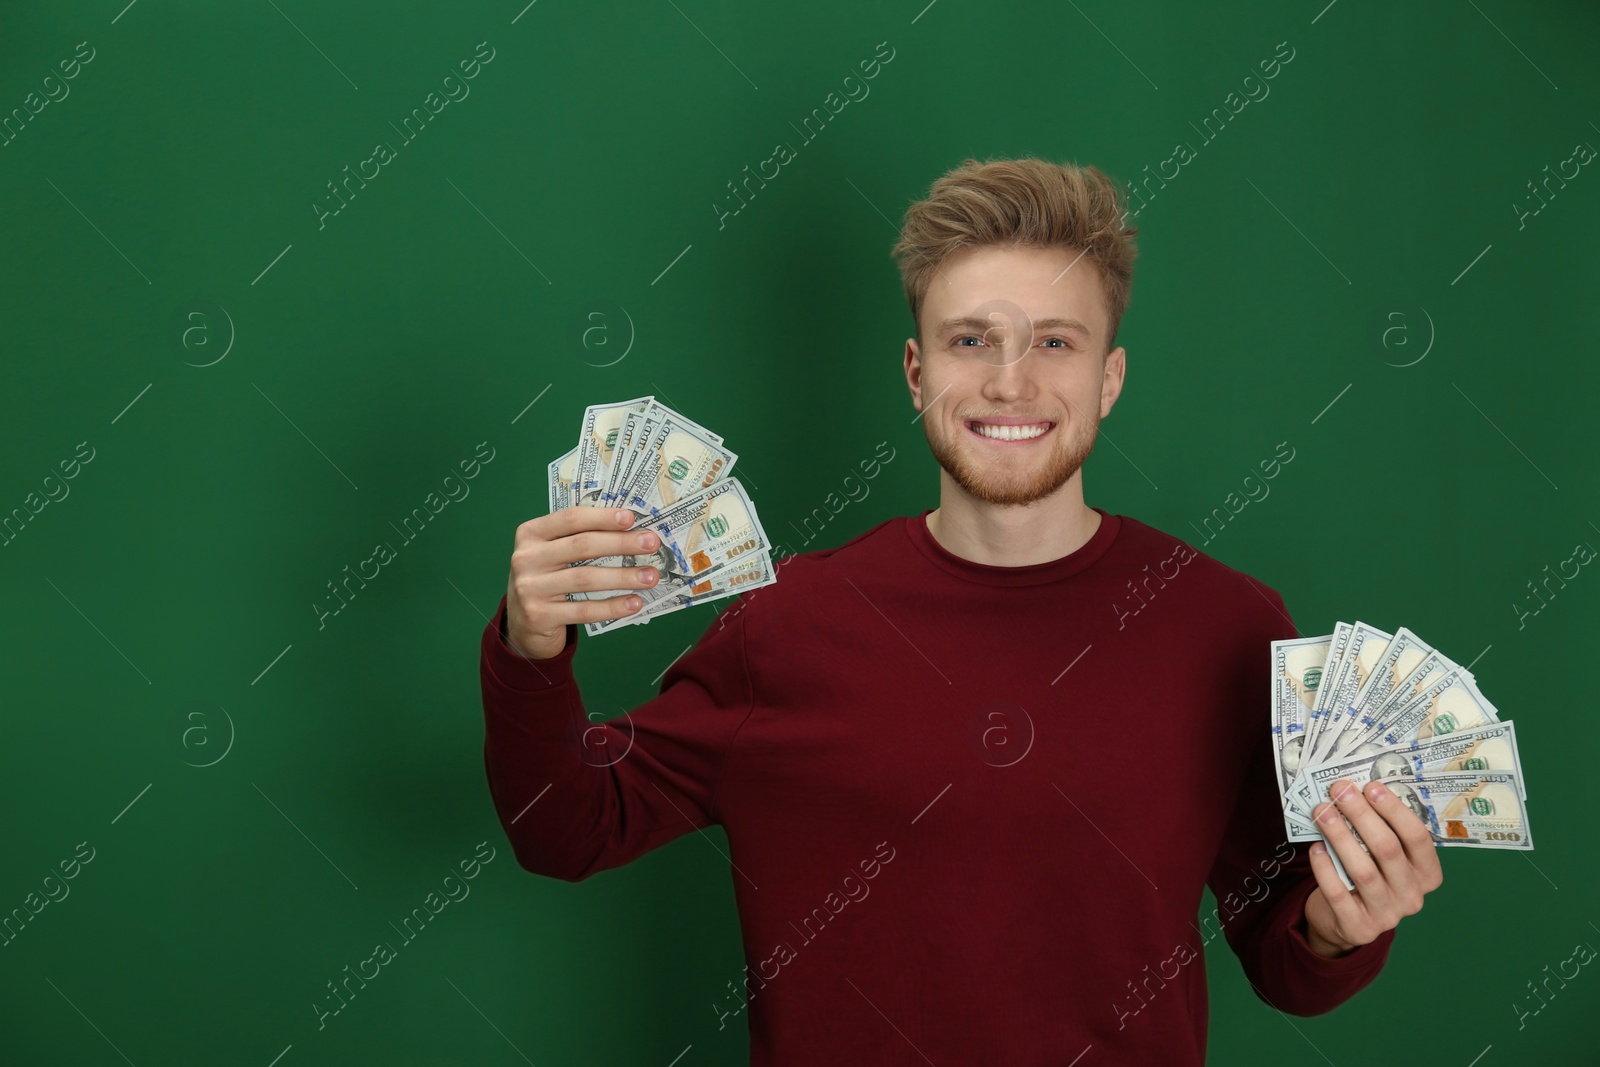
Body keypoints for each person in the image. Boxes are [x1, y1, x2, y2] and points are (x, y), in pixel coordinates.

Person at [479, 157, 1444, 1065]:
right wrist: (530, 647)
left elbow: (1286, 958)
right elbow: (567, 827)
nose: (1009, 382)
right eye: (970, 339)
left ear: (1108, 377)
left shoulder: (1225, 627)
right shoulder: (788, 623)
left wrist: (1334, 931)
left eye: (1054, 342)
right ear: (915, 371)